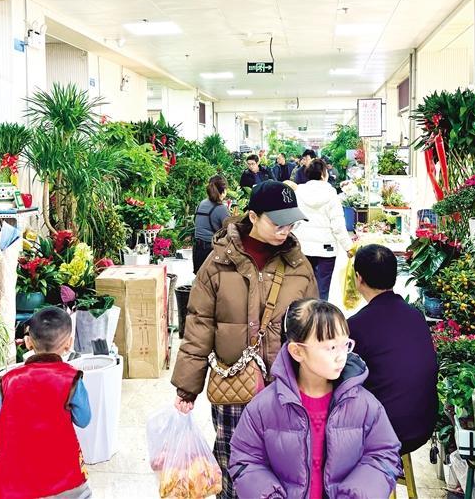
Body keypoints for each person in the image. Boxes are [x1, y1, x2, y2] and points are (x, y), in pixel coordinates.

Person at [171, 180, 319, 499]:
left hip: (284, 389)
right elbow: (199, 323)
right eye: (277, 222)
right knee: (233, 464)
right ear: (253, 217)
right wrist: (187, 386)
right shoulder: (218, 263)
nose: (285, 230)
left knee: (281, 468)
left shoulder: (299, 266)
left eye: (291, 222)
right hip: (234, 388)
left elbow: (313, 329)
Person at [229, 299, 401, 499]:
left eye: (345, 345)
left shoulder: (364, 404)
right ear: (297, 351)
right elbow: (245, 460)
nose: (341, 356)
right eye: (331, 347)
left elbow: (384, 456)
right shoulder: (263, 407)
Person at [0, 307, 92, 499]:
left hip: (17, 478)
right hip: (63, 475)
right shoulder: (71, 378)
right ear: (69, 343)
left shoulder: (9, 380)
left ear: (28, 342)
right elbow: (84, 420)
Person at [348, 244, 438, 457]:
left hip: (385, 434)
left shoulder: (356, 326)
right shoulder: (415, 316)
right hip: (424, 425)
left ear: (359, 278)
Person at [294, 159, 354, 300]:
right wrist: (348, 247)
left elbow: (294, 220)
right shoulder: (331, 194)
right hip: (326, 249)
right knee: (322, 289)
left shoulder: (298, 192)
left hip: (303, 247)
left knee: (304, 286)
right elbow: (338, 224)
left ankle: (304, 313)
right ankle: (320, 313)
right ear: (323, 174)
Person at [193, 175, 231, 273]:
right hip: (211, 251)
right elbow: (230, 230)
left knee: (201, 278)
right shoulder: (221, 208)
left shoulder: (201, 203)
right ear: (224, 191)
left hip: (197, 250)